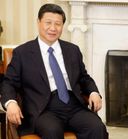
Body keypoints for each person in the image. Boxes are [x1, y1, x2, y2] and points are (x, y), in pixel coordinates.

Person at [1, 3, 108, 139]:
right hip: (43, 109)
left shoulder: (72, 50)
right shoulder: (23, 53)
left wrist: (93, 92)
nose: (53, 28)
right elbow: (8, 82)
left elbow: (84, 78)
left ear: (62, 26)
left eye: (58, 24)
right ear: (38, 22)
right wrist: (10, 103)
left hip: (73, 106)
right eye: (48, 23)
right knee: (52, 131)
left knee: (96, 127)